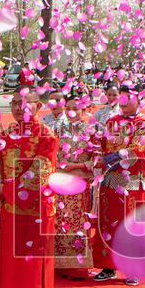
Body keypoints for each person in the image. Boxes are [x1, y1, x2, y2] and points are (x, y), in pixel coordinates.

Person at [0, 89, 58, 288]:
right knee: (9, 266)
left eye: (24, 103)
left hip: (36, 211)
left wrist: (8, 188)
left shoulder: (46, 135)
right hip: (10, 210)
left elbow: (41, 171)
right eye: (14, 103)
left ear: (38, 105)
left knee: (30, 269)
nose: (18, 108)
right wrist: (0, 185)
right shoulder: (7, 133)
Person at [92, 92, 145, 285]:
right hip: (111, 177)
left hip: (132, 179)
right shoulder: (112, 121)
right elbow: (104, 144)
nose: (124, 103)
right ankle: (108, 266)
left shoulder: (143, 124)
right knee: (109, 221)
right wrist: (106, 157)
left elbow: (138, 148)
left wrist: (114, 156)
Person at [53, 99, 96, 277]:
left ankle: (78, 266)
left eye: (75, 109)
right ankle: (60, 264)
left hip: (80, 184)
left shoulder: (91, 132)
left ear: (83, 110)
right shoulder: (58, 130)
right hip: (61, 183)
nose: (71, 112)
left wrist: (76, 167)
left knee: (77, 223)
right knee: (61, 222)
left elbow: (97, 160)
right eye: (68, 108)